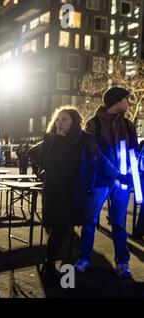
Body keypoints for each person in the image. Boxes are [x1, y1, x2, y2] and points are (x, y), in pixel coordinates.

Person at [35, 107, 121, 284]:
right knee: (57, 230)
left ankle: (54, 268)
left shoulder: (84, 140)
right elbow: (45, 161)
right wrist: (57, 139)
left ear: (74, 121)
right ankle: (50, 267)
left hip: (74, 192)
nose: (59, 122)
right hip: (54, 192)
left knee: (65, 230)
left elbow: (99, 160)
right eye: (58, 119)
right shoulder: (51, 139)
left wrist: (117, 174)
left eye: (64, 119)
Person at [74, 87, 137, 278]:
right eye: (126, 99)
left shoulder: (128, 125)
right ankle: (84, 258)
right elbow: (94, 154)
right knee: (90, 221)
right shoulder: (93, 124)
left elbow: (134, 152)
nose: (129, 102)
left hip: (120, 182)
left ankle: (122, 262)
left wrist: (132, 175)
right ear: (116, 102)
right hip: (101, 180)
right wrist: (117, 173)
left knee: (118, 223)